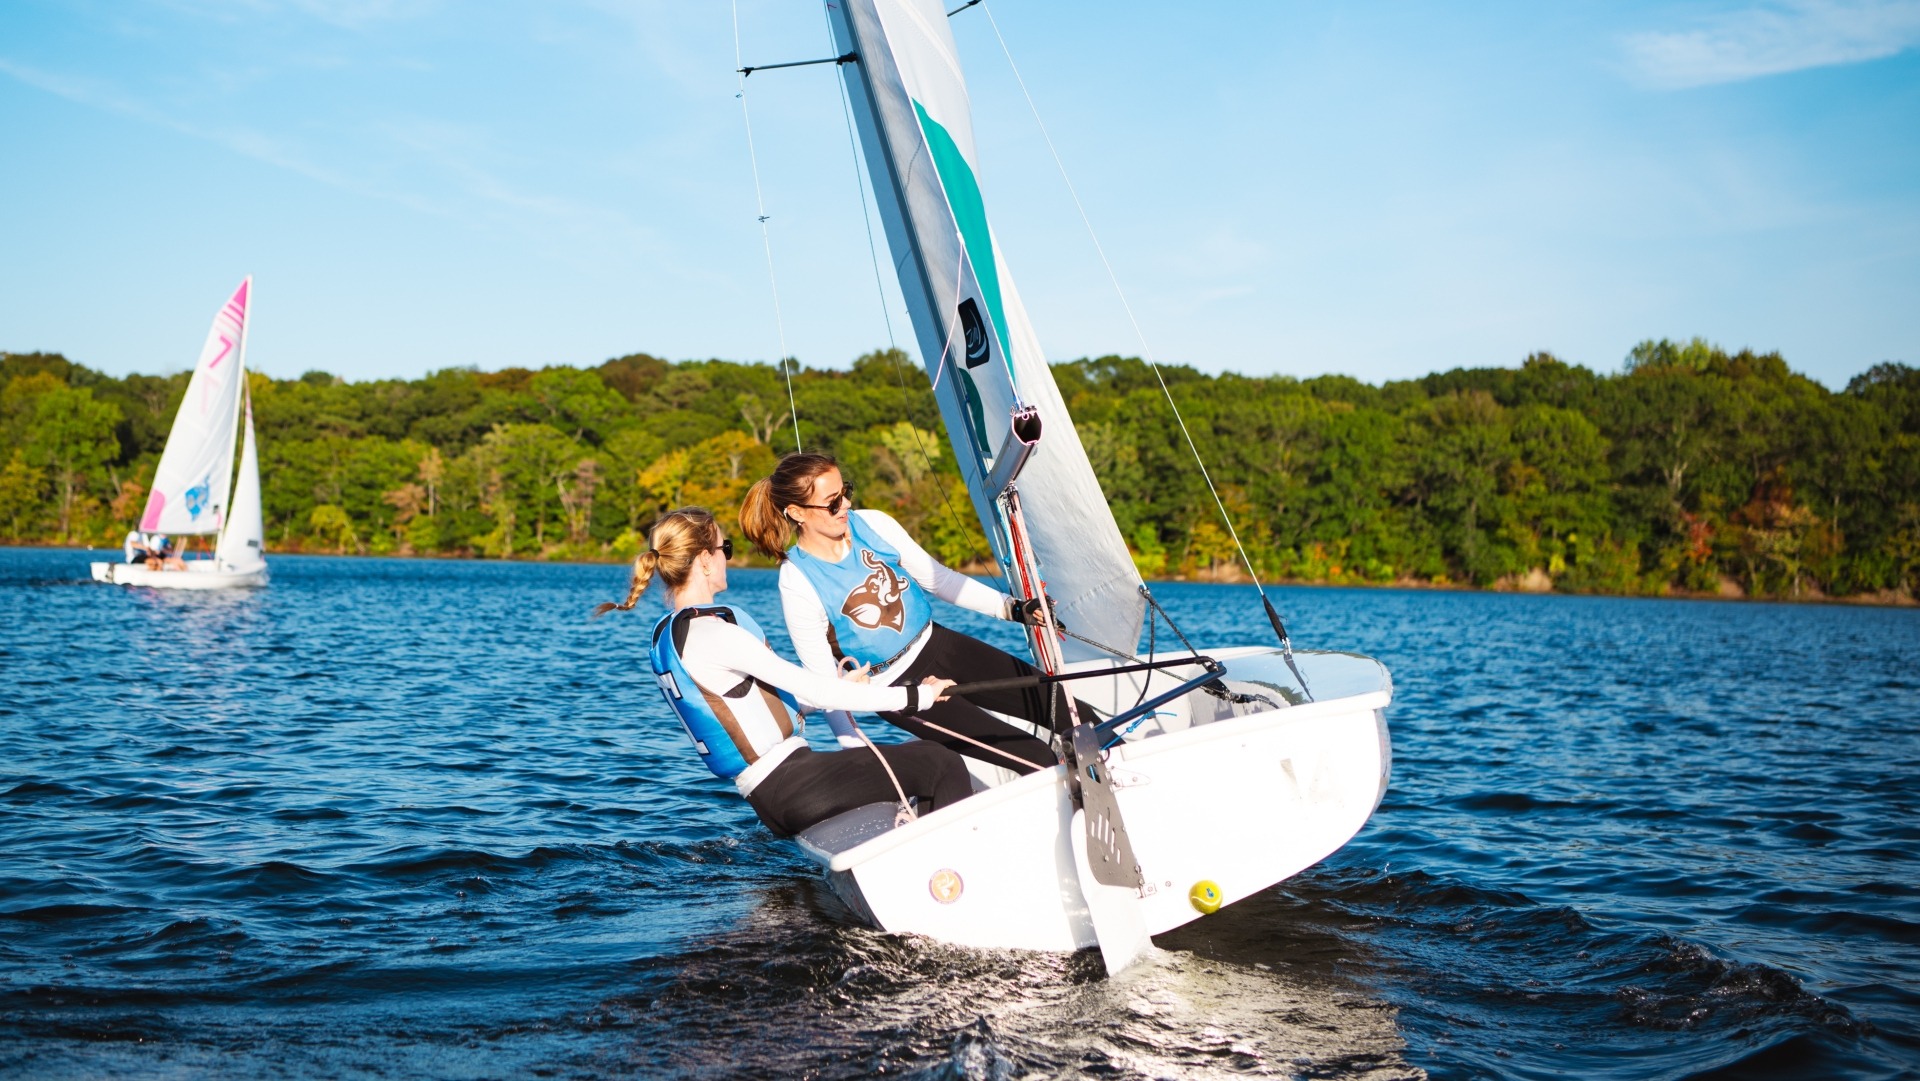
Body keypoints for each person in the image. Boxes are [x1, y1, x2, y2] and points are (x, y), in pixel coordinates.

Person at [594, 507, 975, 838]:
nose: (729, 557)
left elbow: (765, 704)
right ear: (705, 561)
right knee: (939, 762)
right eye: (725, 549)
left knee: (918, 763)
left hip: (771, 797)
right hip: (796, 785)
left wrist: (842, 685)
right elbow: (820, 694)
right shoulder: (716, 633)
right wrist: (917, 697)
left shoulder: (670, 633)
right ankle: (956, 876)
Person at [740, 453, 1098, 776]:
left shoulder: (873, 524)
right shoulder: (797, 579)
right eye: (832, 503)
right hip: (898, 689)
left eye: (845, 492)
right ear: (796, 512)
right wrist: (858, 748)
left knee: (1075, 715)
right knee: (1035, 756)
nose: (846, 504)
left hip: (941, 645)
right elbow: (825, 688)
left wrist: (1014, 609)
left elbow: (937, 579)